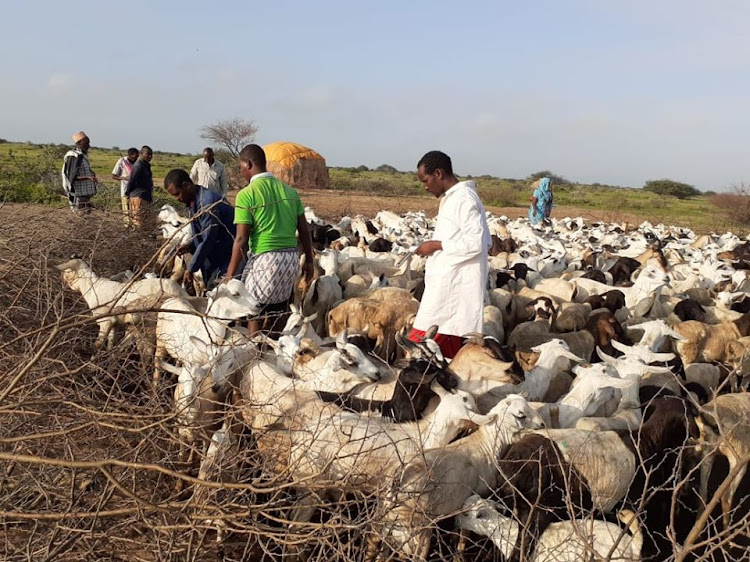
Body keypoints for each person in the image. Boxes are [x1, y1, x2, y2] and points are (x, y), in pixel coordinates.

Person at [408, 150, 491, 359]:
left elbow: (477, 241)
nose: (425, 186)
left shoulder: (464, 199)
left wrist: (436, 245)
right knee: (439, 352)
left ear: (438, 173)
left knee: (420, 350)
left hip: (453, 292)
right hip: (446, 287)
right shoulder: (454, 198)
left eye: (425, 180)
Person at [225, 144, 314, 334]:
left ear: (248, 164)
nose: (241, 172)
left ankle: (254, 350)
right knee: (279, 309)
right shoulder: (290, 192)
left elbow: (241, 238)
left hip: (266, 260)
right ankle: (275, 346)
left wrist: (230, 275)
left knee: (254, 311)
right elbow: (304, 230)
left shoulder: (246, 195)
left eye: (241, 167)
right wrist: (309, 262)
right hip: (290, 259)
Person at [164, 168, 237, 289]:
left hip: (226, 254)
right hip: (214, 255)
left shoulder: (207, 204)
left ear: (186, 185)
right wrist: (191, 245)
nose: (176, 199)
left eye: (177, 194)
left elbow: (208, 239)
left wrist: (191, 268)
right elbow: (202, 233)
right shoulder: (193, 202)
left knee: (219, 291)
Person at [61, 131, 99, 212]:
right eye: (86, 144)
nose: (88, 146)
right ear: (79, 143)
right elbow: (72, 177)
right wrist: (88, 177)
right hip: (78, 195)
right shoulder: (73, 156)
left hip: (85, 194)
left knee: (87, 219)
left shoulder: (82, 156)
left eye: (88, 143)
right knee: (81, 219)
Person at [125, 146, 154, 228]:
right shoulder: (139, 165)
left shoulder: (146, 165)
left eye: (151, 154)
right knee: (138, 222)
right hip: (138, 197)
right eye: (147, 154)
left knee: (146, 221)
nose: (150, 156)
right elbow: (132, 180)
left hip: (146, 197)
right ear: (141, 154)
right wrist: (128, 193)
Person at [112, 147, 139, 224]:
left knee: (135, 211)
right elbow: (113, 176)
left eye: (137, 157)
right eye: (135, 157)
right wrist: (124, 178)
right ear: (130, 155)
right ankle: (127, 226)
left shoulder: (137, 163)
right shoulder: (122, 161)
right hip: (125, 191)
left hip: (136, 192)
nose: (136, 158)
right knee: (126, 211)